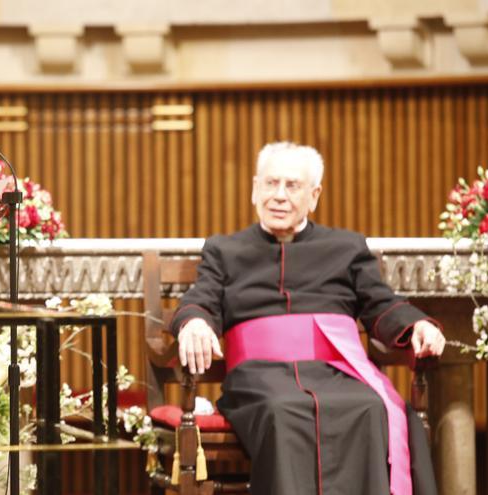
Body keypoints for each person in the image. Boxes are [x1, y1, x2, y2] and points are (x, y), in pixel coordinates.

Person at [171, 142, 445, 495]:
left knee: (368, 407)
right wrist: (194, 322)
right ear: (255, 189)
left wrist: (417, 325)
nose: (279, 196)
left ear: (314, 195)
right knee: (283, 409)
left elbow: (381, 303)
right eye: (270, 184)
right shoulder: (225, 250)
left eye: (292, 186)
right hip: (258, 377)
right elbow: (201, 299)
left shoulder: (346, 247)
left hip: (336, 373)